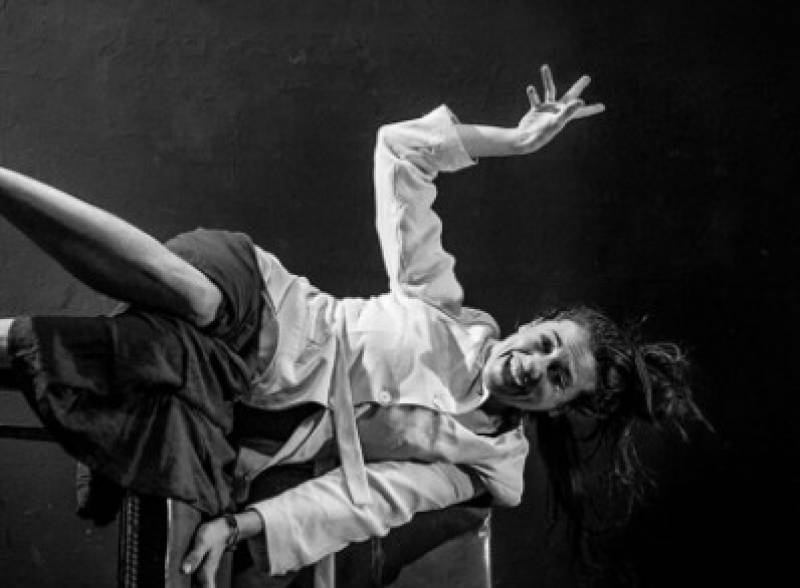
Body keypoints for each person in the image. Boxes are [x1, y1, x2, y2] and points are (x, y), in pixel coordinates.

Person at [0, 65, 704, 587]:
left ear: (556, 408)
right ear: (536, 323)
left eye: (556, 379)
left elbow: (365, 500)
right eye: (547, 345)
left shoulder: (486, 464)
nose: (534, 366)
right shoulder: (443, 306)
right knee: (201, 299)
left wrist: (240, 526)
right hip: (261, 298)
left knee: (161, 357)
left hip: (239, 388)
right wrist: (514, 142)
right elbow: (399, 152)